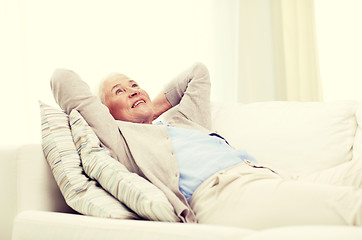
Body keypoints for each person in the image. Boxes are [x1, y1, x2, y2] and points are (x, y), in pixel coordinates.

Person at [51, 62, 362, 229]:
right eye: (120, 91)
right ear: (105, 111)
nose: (133, 90)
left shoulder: (182, 121)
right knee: (352, 207)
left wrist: (152, 107)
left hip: (269, 177)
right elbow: (61, 79)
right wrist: (124, 117)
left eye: (135, 84)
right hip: (225, 195)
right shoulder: (119, 139)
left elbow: (197, 73)